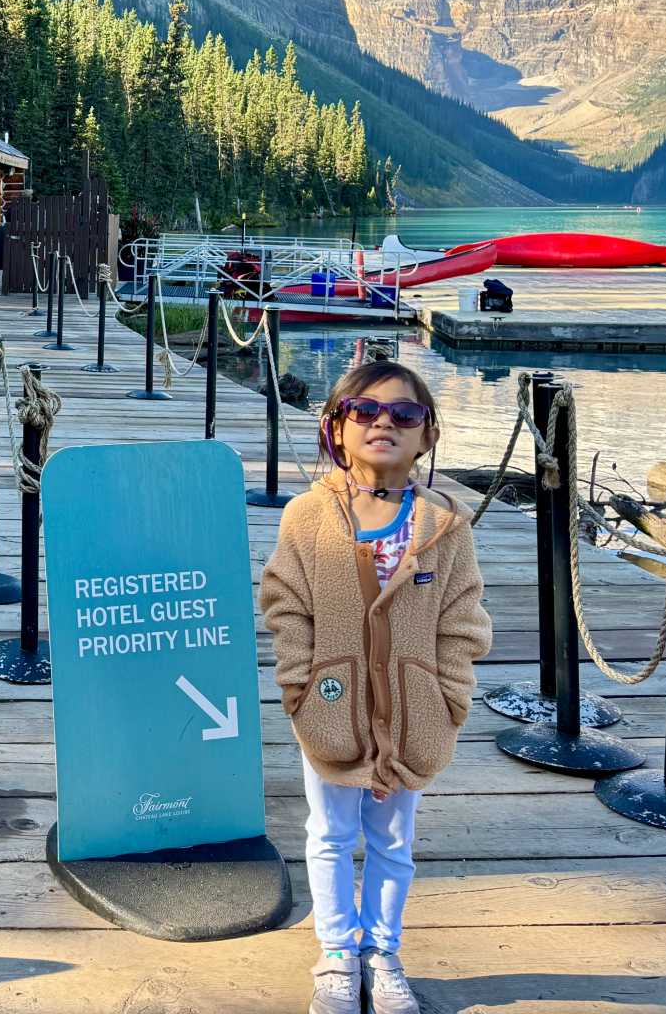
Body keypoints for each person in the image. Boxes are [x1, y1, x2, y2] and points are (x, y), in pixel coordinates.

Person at [258, 361, 492, 1014]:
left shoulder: (446, 528)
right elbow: (286, 605)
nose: (383, 423)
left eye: (404, 415)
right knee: (330, 833)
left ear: (427, 435)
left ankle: (382, 949)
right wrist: (303, 690)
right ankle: (336, 953)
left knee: (393, 838)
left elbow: (462, 624)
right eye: (364, 411)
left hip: (414, 716)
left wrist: (446, 703)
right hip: (330, 714)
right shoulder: (307, 517)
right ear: (336, 427)